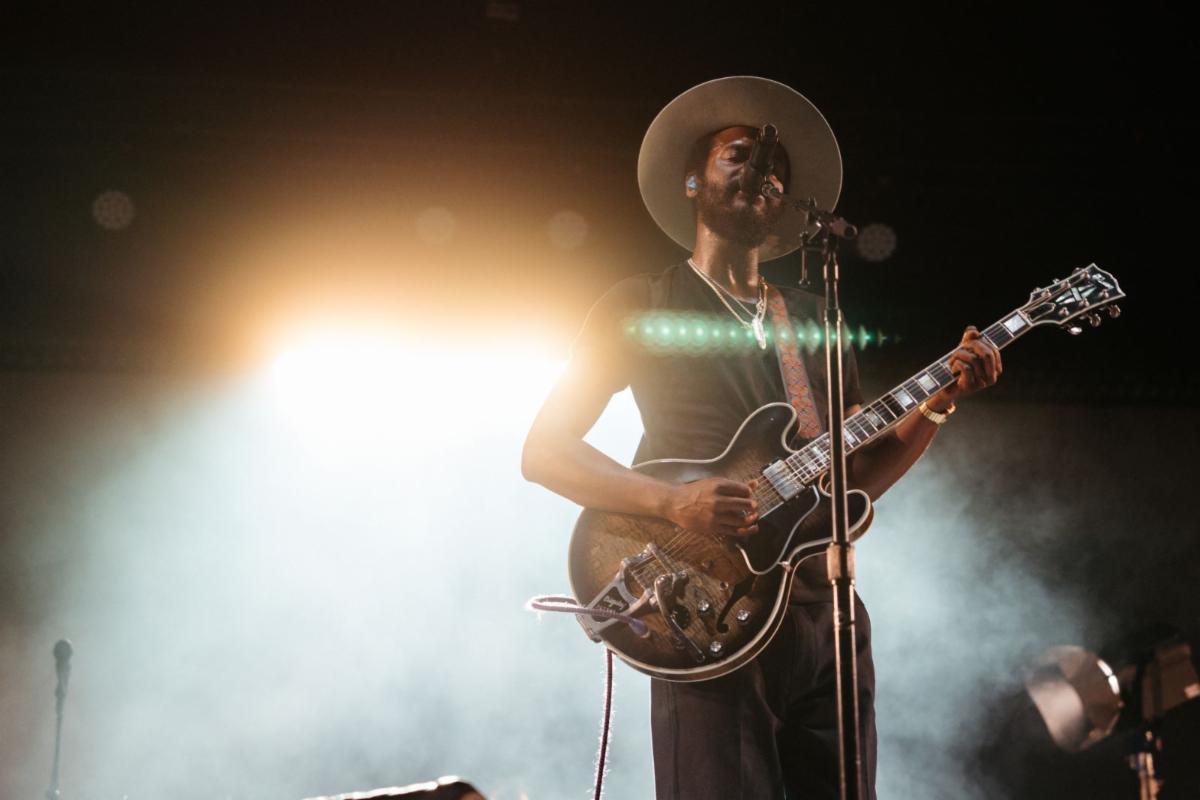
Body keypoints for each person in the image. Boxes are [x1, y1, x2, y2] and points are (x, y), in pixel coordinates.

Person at [521, 76, 1001, 800]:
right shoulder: (641, 303)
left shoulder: (814, 320)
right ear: (693, 182)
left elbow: (853, 479)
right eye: (739, 155)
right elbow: (545, 451)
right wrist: (672, 502)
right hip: (701, 606)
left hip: (824, 615)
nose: (762, 173)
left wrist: (937, 406)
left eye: (775, 169)